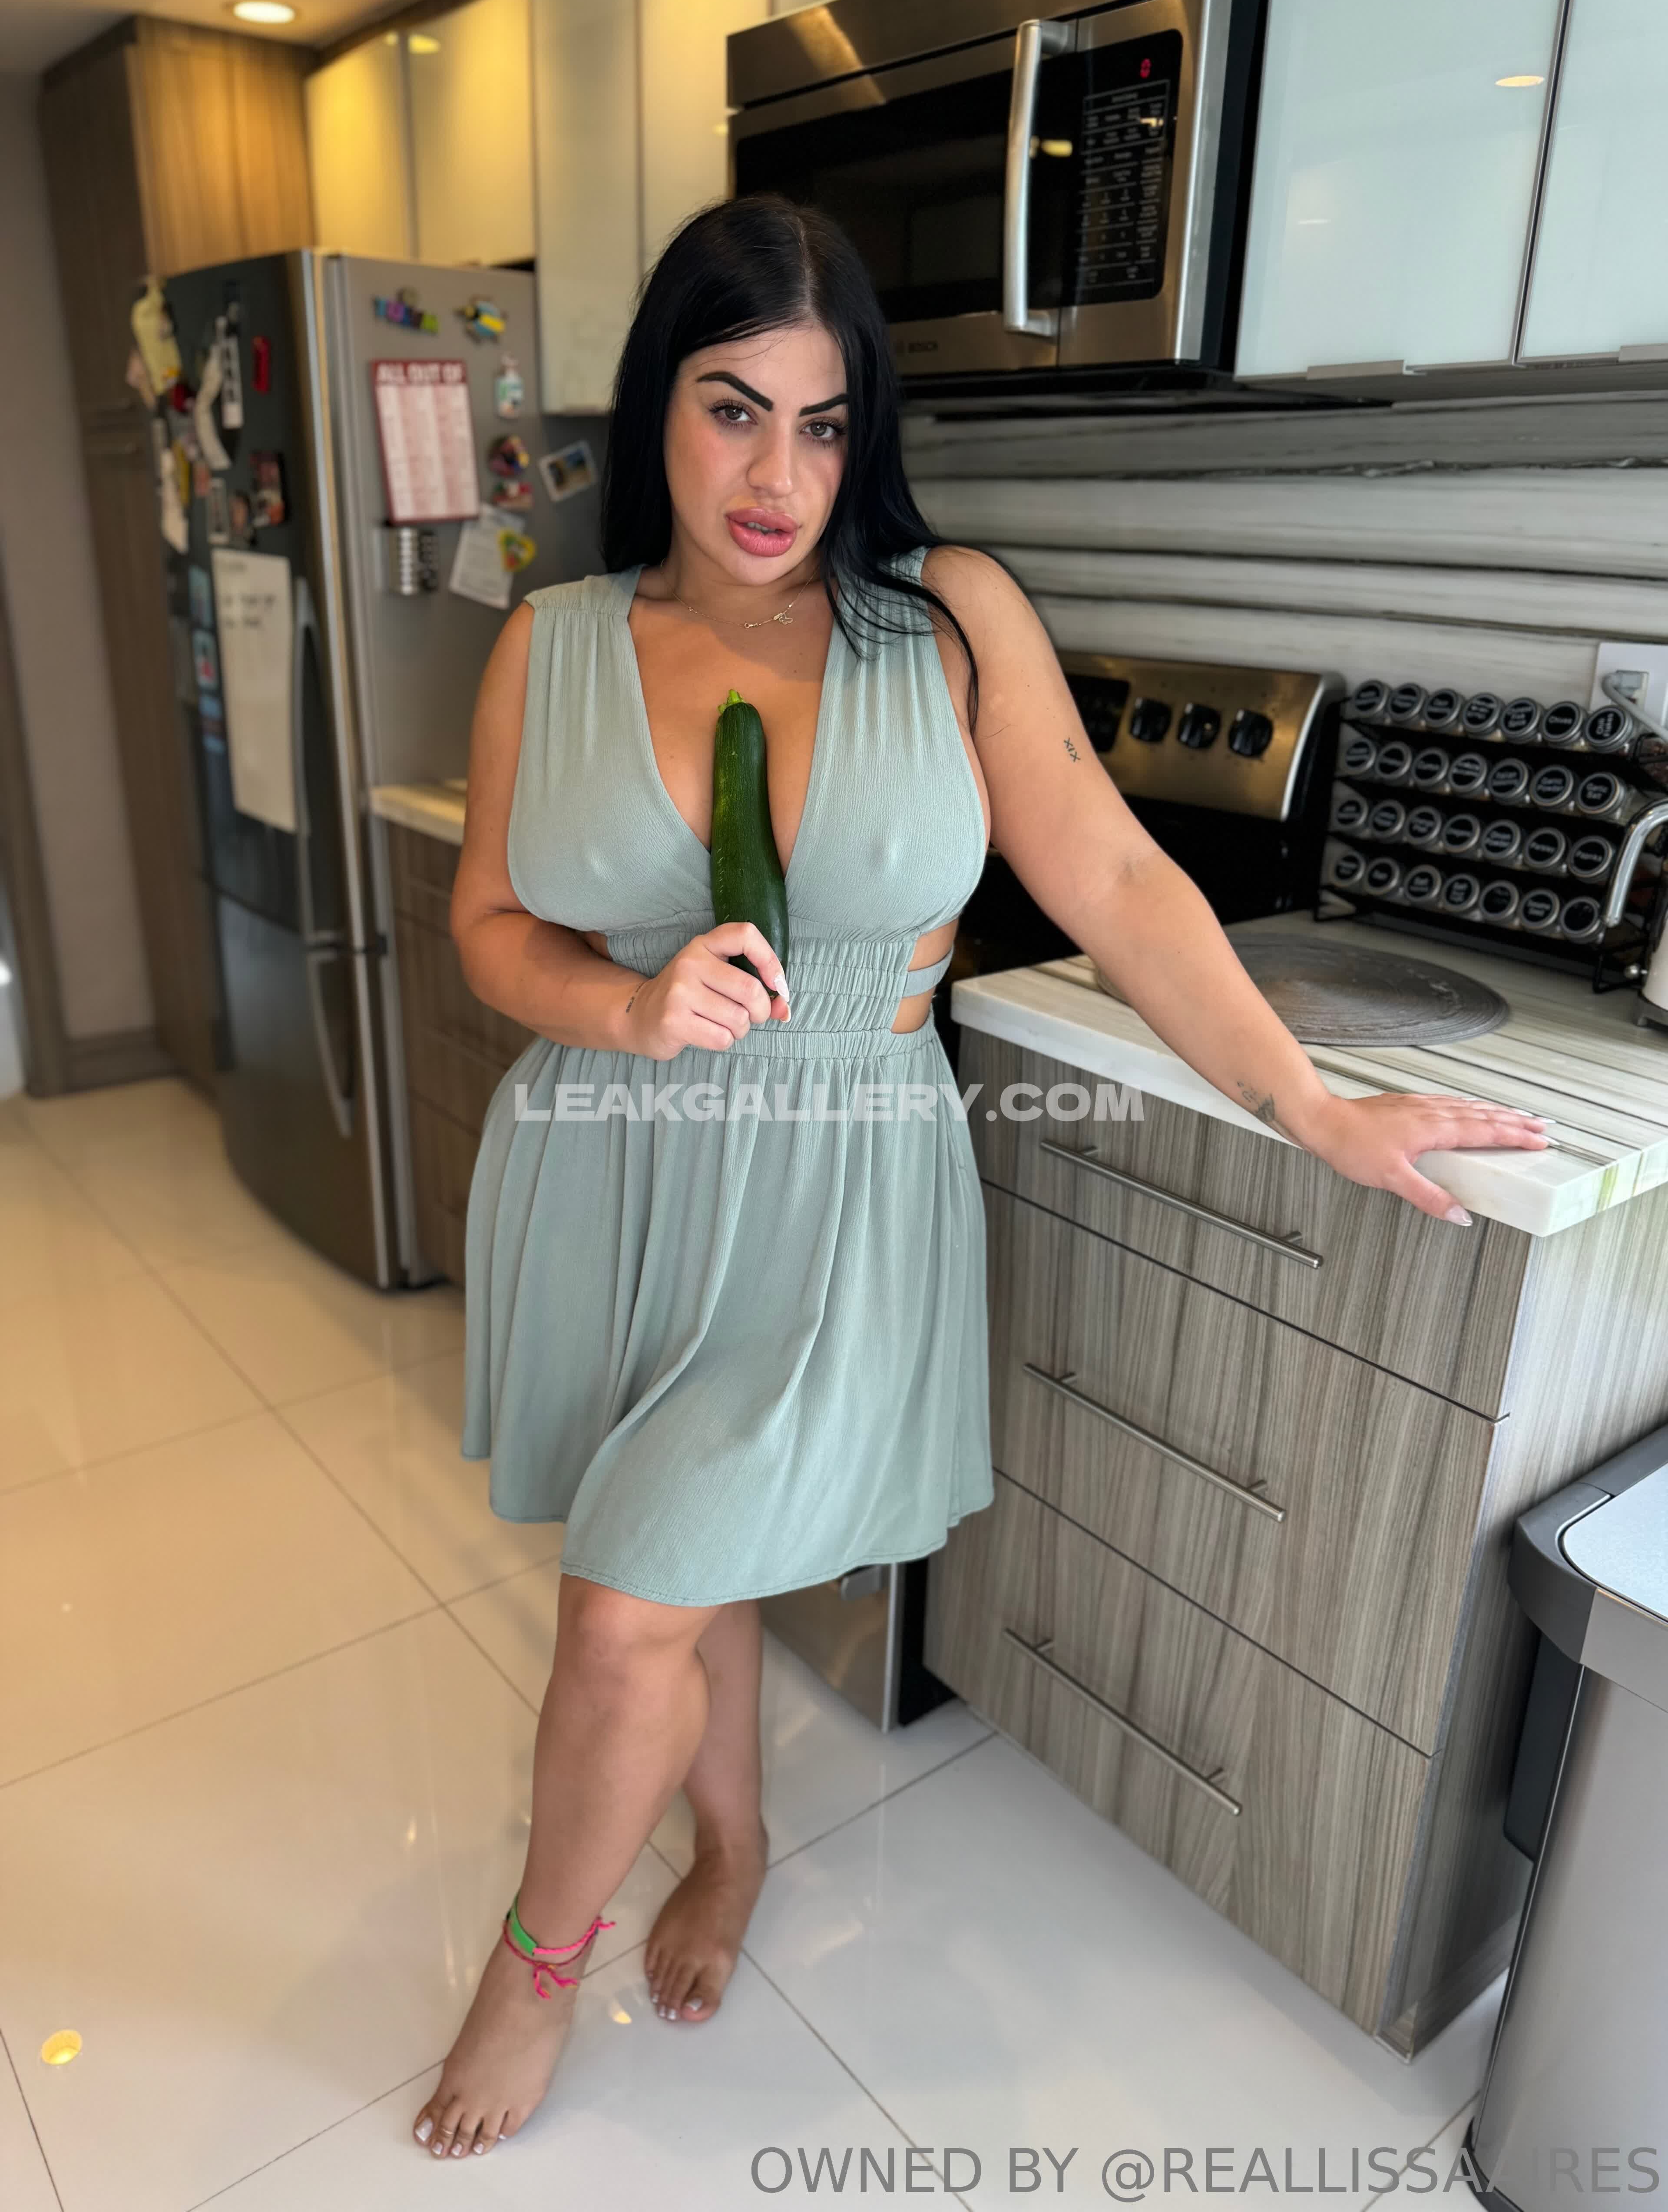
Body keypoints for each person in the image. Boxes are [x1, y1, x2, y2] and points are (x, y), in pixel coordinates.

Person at [412, 195, 1549, 2162]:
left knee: (623, 1610)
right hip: (612, 1167)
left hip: (835, 1197)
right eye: (732, 408)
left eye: (823, 421)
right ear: (656, 403)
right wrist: (621, 1005)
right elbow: (490, 926)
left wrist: (1312, 1100)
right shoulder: (554, 644)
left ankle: (532, 1962)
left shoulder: (941, 622)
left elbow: (1113, 874)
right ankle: (733, 1844)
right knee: (674, 1568)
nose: (777, 477)